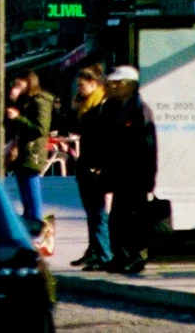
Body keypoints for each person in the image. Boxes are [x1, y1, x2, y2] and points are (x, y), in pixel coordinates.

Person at [98, 67, 157, 274]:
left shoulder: (139, 110)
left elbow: (149, 146)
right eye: (111, 82)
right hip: (118, 174)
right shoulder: (111, 108)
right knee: (117, 218)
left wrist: (149, 176)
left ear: (130, 84)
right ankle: (121, 255)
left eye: (118, 82)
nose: (112, 86)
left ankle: (137, 257)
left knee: (135, 219)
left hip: (136, 174)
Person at [66, 65, 111, 269]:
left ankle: (103, 254)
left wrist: (100, 165)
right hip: (86, 165)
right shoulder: (85, 106)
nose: (79, 89)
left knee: (97, 213)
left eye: (82, 85)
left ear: (95, 84)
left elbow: (103, 138)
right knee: (92, 212)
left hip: (95, 166)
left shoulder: (101, 106)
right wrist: (75, 107)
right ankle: (94, 251)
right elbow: (72, 128)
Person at [5, 72, 54, 241]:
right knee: (24, 192)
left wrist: (18, 118)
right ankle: (30, 226)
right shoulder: (24, 100)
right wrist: (13, 100)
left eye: (19, 83)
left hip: (33, 151)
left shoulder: (41, 99)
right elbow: (10, 123)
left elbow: (40, 129)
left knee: (32, 190)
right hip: (21, 150)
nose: (16, 86)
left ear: (29, 82)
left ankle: (37, 225)